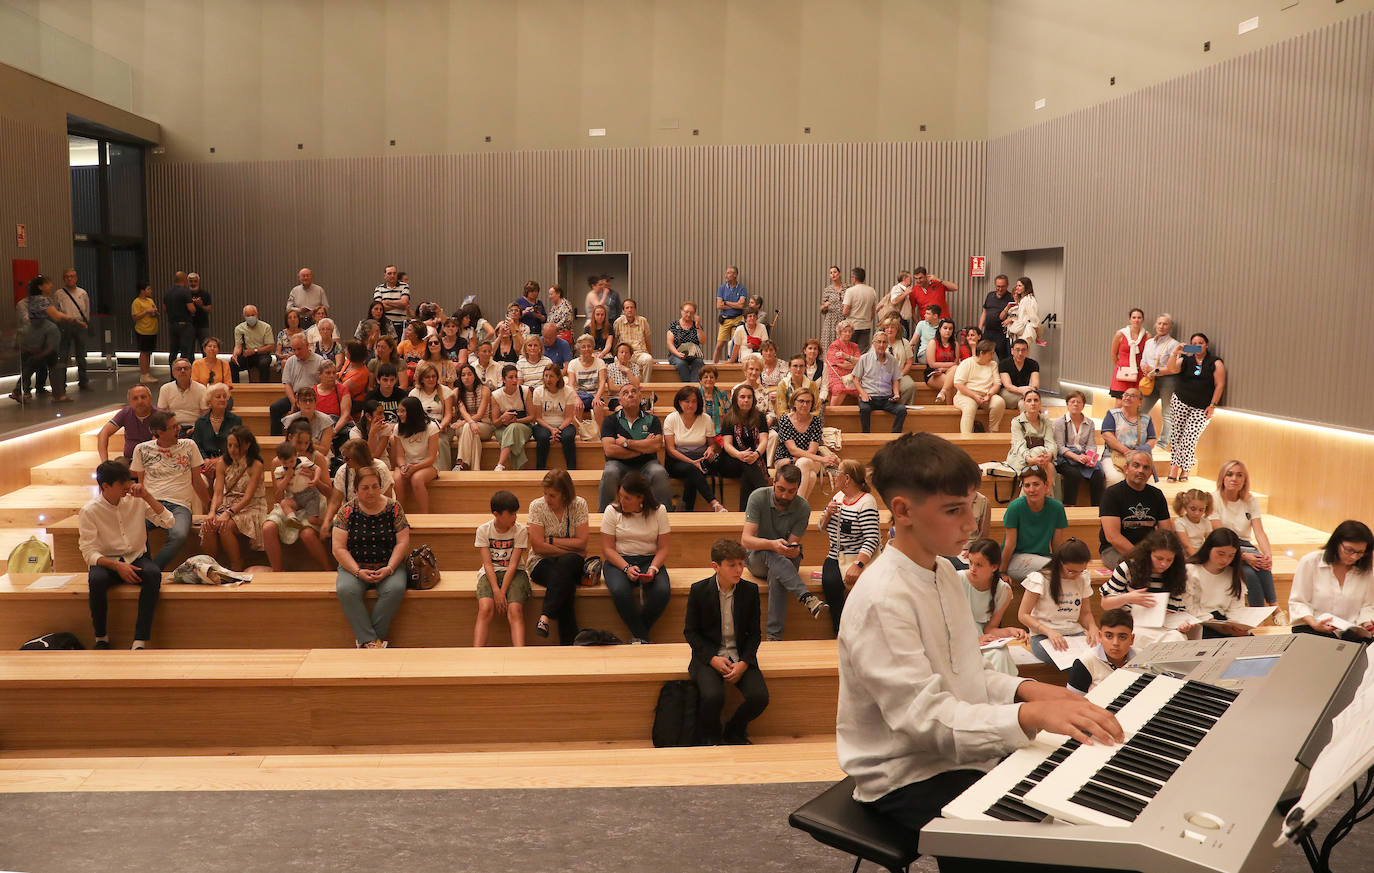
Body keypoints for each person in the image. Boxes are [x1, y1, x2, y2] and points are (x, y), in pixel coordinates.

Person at [837, 432, 1124, 863]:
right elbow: (926, 720)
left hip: (954, 752)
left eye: (971, 504)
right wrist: (1030, 714)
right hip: (904, 774)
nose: (972, 523)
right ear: (903, 511)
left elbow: (965, 674)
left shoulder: (944, 574)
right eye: (954, 510)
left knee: (1083, 800)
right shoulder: (883, 598)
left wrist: (1028, 691)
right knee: (1036, 847)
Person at [78, 460, 174, 649]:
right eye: (123, 484)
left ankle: (140, 640)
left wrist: (147, 496)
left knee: (154, 574)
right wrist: (116, 566)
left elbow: (169, 522)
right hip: (108, 562)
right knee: (96, 580)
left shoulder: (137, 501)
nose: (128, 487)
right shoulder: (89, 511)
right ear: (106, 486)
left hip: (136, 558)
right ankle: (101, 638)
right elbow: (88, 552)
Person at [684, 538, 769, 744]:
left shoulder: (750, 591)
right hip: (709, 656)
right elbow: (691, 632)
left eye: (741, 563)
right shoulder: (699, 591)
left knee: (759, 697)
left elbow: (754, 634)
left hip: (739, 656)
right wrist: (712, 659)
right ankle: (711, 737)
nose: (739, 570)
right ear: (716, 566)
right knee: (713, 697)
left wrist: (744, 663)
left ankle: (734, 730)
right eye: (732, 565)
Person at [742, 464, 826, 640]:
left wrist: (792, 551)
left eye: (791, 491)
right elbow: (746, 540)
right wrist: (772, 544)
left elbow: (791, 544)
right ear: (773, 482)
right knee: (769, 551)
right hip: (757, 558)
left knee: (777, 574)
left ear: (798, 488)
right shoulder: (758, 497)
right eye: (780, 489)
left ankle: (774, 638)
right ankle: (807, 598)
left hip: (783, 561)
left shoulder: (803, 507)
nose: (784, 496)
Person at [332, 465, 410, 648]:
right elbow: (338, 548)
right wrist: (358, 572)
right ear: (356, 490)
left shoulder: (394, 508)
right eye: (365, 488)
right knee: (346, 590)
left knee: (395, 589)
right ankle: (372, 642)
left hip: (389, 564)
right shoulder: (347, 511)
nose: (371, 492)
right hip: (354, 566)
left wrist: (390, 568)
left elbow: (403, 542)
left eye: (375, 486)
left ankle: (369, 642)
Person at [129, 410, 209, 570]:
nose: (179, 428)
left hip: (179, 505)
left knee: (178, 535)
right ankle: (145, 567)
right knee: (135, 529)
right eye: (173, 427)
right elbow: (141, 481)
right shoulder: (141, 449)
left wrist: (211, 507)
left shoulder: (189, 445)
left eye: (177, 425)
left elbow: (197, 480)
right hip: (151, 503)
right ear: (160, 432)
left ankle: (152, 570)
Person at [601, 472, 672, 643]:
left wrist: (654, 568)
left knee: (662, 592)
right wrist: (626, 567)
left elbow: (663, 548)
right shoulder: (611, 511)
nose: (622, 501)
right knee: (620, 591)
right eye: (621, 496)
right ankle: (642, 637)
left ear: (641, 498)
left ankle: (639, 635)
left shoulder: (659, 511)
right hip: (618, 560)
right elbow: (608, 549)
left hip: (650, 560)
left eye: (627, 498)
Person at [817, 459, 880, 634]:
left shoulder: (866, 502)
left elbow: (872, 538)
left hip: (857, 557)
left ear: (847, 479)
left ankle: (863, 632)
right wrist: (828, 513)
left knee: (858, 587)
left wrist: (858, 564)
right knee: (830, 582)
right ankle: (840, 631)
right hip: (835, 555)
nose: (834, 475)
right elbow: (821, 528)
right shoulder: (838, 497)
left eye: (838, 472)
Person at [527, 469, 588, 643]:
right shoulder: (537, 506)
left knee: (566, 565)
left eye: (552, 495)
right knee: (565, 582)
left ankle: (545, 616)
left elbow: (582, 542)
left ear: (565, 494)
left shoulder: (579, 504)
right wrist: (571, 548)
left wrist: (551, 540)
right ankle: (571, 641)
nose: (547, 499)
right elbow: (538, 547)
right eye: (545, 494)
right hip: (541, 562)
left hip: (570, 562)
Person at [1100, 529, 1190, 646]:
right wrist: (1128, 598)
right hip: (1130, 625)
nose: (1164, 564)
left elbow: (1175, 612)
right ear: (1148, 553)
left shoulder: (1176, 573)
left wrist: (1182, 625)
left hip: (1163, 628)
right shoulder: (1128, 568)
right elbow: (1105, 604)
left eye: (1169, 560)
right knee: (1136, 639)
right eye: (1159, 558)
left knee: (1178, 638)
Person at [1017, 537, 1097, 668]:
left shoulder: (1082, 578)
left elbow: (1086, 613)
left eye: (1080, 571)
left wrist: (1093, 627)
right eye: (1071, 571)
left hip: (1075, 634)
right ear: (1059, 563)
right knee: (1076, 664)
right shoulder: (1040, 579)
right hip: (1043, 636)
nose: (1076, 575)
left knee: (1098, 657)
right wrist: (1049, 632)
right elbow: (1023, 615)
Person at [1289, 521, 1374, 641]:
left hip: (1349, 632)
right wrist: (1314, 623)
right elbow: (1298, 602)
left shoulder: (1366, 571)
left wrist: (1367, 624)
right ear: (1336, 543)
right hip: (1312, 628)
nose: (1354, 557)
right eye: (1349, 550)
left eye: (1360, 552)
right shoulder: (1310, 562)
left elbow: (1368, 605)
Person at [200, 426, 269, 571]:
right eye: (229, 445)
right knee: (208, 525)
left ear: (247, 445)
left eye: (236, 446)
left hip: (252, 505)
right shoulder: (222, 464)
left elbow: (249, 497)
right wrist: (212, 512)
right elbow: (218, 493)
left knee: (225, 526)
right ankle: (211, 565)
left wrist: (228, 513)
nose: (232, 449)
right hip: (228, 503)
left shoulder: (256, 465)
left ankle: (236, 564)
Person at [262, 429, 332, 572]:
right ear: (290, 438)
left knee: (307, 534)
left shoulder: (315, 458)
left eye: (306, 443)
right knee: (268, 528)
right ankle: (277, 572)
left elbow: (330, 493)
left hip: (312, 500)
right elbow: (278, 496)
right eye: (299, 442)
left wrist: (315, 480)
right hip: (292, 502)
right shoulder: (278, 462)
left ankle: (328, 569)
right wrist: (287, 477)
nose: (303, 447)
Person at [1210, 459, 1276, 608]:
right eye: (1230, 474)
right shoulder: (1213, 499)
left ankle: (1274, 607)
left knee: (1262, 563)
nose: (1234, 479)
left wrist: (1268, 555)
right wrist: (1245, 556)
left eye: (1239, 475)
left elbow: (1259, 531)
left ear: (1245, 480)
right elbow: (1219, 534)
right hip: (1225, 546)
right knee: (1250, 574)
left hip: (1246, 545)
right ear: (1222, 477)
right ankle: (1260, 614)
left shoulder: (1250, 500)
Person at [598, 383, 672, 510]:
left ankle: (666, 515)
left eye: (633, 391)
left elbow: (656, 445)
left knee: (659, 472)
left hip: (647, 464)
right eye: (625, 393)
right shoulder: (610, 420)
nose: (630, 394)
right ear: (620, 401)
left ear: (640, 397)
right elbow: (610, 450)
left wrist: (627, 443)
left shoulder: (652, 420)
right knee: (609, 472)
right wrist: (644, 448)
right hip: (618, 464)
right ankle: (603, 515)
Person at [1164, 332, 1225, 482]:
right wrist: (1175, 352)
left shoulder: (1215, 362)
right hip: (1180, 401)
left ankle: (1174, 468)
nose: (1198, 345)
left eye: (1201, 343)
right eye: (1194, 343)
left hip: (1202, 407)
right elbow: (1171, 369)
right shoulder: (1185, 360)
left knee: (1189, 437)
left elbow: (1220, 384)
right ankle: (1185, 471)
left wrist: (1212, 405)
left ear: (1206, 345)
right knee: (1177, 435)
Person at [1098, 449, 1174, 568]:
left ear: (1150, 473)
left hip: (1149, 549)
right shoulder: (1111, 494)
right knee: (1135, 568)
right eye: (1136, 465)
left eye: (1146, 467)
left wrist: (1159, 556)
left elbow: (1166, 532)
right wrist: (1142, 557)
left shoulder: (1157, 495)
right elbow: (1113, 537)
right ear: (1126, 469)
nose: (1141, 471)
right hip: (1114, 550)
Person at [957, 538, 1022, 677]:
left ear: (994, 567)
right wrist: (972, 641)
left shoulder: (1003, 590)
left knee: (1001, 654)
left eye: (979, 565)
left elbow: (989, 629)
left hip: (983, 639)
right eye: (971, 563)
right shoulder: (957, 579)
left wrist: (1012, 631)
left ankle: (1003, 696)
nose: (972, 568)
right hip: (957, 639)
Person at [473, 490, 530, 647]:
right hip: (491, 573)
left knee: (515, 609)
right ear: (496, 514)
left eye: (516, 513)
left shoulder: (520, 530)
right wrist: (495, 591)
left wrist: (502, 591)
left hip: (515, 573)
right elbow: (488, 564)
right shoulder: (483, 530)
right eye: (510, 514)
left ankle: (519, 652)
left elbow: (513, 564)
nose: (515, 517)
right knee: (485, 608)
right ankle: (476, 653)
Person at [12, 275, 78, 402]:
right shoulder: (43, 300)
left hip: (36, 335)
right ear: (40, 287)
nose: (51, 286)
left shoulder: (32, 300)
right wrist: (72, 319)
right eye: (48, 284)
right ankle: (58, 395)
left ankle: (19, 390)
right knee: (50, 362)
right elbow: (56, 316)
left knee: (35, 363)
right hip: (44, 335)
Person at [662, 385, 726, 513]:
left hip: (701, 459)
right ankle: (714, 503)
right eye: (687, 401)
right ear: (679, 402)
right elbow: (670, 450)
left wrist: (711, 449)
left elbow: (712, 444)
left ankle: (685, 508)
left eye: (694, 401)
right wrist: (692, 462)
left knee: (694, 472)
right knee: (692, 469)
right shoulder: (671, 419)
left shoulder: (705, 419)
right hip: (677, 461)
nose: (690, 405)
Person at [999, 467, 1069, 583]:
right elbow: (1009, 545)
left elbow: (1057, 545)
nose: (1031, 489)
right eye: (1027, 485)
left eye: (1036, 484)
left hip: (1042, 558)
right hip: (1015, 559)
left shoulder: (1057, 508)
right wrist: (1002, 572)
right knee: (1058, 570)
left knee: (1074, 569)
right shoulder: (1015, 507)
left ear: (1046, 485)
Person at [1181, 528, 1248, 638]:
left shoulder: (1234, 574)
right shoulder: (1191, 571)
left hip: (1225, 624)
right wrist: (1211, 620)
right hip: (1200, 624)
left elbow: (1237, 608)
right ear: (1209, 548)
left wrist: (1236, 625)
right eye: (1220, 553)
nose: (1225, 560)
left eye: (1231, 555)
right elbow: (1188, 608)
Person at [772, 386, 835, 500]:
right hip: (786, 460)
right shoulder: (785, 420)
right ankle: (801, 508)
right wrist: (821, 459)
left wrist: (805, 459)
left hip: (810, 460)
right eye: (801, 401)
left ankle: (795, 505)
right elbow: (792, 450)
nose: (805, 405)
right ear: (794, 403)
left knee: (803, 462)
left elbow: (812, 450)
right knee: (811, 476)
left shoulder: (816, 421)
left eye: (808, 402)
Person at [717, 384, 770, 512]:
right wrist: (740, 455)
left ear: (753, 399)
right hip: (731, 460)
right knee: (748, 465)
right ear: (736, 399)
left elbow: (764, 440)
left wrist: (756, 454)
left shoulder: (760, 417)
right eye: (742, 397)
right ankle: (768, 500)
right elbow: (727, 445)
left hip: (754, 458)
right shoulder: (729, 418)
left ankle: (744, 514)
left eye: (749, 397)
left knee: (748, 469)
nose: (746, 400)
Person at [322, 439, 395, 532]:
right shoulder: (343, 471)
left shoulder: (380, 469)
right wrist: (326, 522)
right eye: (343, 457)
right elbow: (335, 502)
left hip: (379, 515)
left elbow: (387, 501)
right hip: (352, 516)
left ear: (359, 458)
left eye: (347, 458)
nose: (344, 461)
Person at [1053, 390, 1106, 506]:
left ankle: (1097, 508)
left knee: (1098, 472)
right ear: (1067, 404)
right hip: (1065, 457)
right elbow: (1060, 447)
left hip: (1083, 456)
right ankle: (1069, 505)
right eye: (1072, 401)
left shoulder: (1090, 423)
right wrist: (1077, 457)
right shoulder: (1060, 422)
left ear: (1083, 405)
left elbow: (1091, 444)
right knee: (1073, 474)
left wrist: (1089, 457)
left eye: (1079, 402)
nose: (1075, 404)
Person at [1066, 609, 1136, 695]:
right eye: (1109, 636)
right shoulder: (1085, 662)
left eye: (1122, 637)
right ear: (1100, 636)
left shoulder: (1142, 659)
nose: (1115, 643)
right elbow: (1072, 702)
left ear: (1132, 639)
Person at [1138, 313, 1180, 449]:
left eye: (1165, 324)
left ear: (1170, 327)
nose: (1161, 326)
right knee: (1141, 411)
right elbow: (1143, 360)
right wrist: (1146, 371)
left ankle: (1162, 444)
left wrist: (1154, 370)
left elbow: (1173, 368)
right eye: (1159, 323)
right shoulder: (1149, 342)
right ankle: (1141, 441)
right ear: (1155, 324)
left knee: (1167, 413)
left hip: (1167, 382)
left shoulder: (1174, 344)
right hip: (1150, 380)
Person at [391, 396, 440, 513]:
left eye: (402, 411)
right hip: (407, 464)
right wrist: (403, 467)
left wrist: (414, 468)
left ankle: (424, 516)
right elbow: (400, 456)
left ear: (412, 412)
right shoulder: (398, 428)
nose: (399, 414)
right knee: (397, 479)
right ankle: (399, 516)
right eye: (399, 411)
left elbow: (431, 457)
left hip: (427, 465)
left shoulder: (431, 427)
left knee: (417, 479)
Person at [852, 332, 907, 434]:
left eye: (884, 342)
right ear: (873, 343)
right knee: (864, 409)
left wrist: (896, 394)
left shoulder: (892, 360)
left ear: (887, 345)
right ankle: (866, 435)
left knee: (901, 410)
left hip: (886, 398)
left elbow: (896, 379)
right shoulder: (864, 358)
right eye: (879, 342)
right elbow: (856, 379)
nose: (881, 345)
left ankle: (894, 437)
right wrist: (863, 393)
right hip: (869, 397)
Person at [1101, 386, 1156, 485]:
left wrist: (1137, 452)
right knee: (1115, 480)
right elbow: (1107, 435)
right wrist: (1126, 451)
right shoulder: (1112, 414)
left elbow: (1152, 440)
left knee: (1148, 483)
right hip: (1114, 455)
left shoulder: (1146, 419)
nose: (1127, 397)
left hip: (1138, 457)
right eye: (1125, 395)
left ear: (1140, 402)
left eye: (1132, 396)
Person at [272, 333, 324, 436]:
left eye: (299, 349)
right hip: (295, 396)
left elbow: (322, 384)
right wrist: (294, 402)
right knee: (275, 408)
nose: (296, 352)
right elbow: (287, 383)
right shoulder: (290, 361)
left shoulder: (319, 361)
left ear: (307, 345)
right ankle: (275, 439)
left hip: (313, 397)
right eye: (293, 349)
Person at [530, 365, 580, 470]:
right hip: (543, 425)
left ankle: (572, 470)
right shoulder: (538, 391)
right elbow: (538, 417)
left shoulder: (568, 391)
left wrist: (559, 429)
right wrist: (551, 429)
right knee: (543, 437)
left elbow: (569, 417)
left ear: (558, 378)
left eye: (551, 376)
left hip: (564, 424)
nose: (548, 379)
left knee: (568, 437)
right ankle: (540, 470)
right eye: (546, 376)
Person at [951, 339, 1006, 433]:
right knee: (969, 407)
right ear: (981, 353)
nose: (993, 356)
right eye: (991, 353)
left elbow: (997, 383)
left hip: (986, 395)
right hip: (966, 395)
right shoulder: (967, 363)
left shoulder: (993, 364)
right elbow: (958, 384)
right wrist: (974, 396)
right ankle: (966, 436)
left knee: (999, 402)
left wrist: (989, 394)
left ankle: (993, 431)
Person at [1005, 389, 1056, 485]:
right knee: (1044, 468)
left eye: (1036, 400)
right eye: (1029, 401)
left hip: (1042, 458)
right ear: (1024, 404)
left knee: (1045, 467)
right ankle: (1046, 495)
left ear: (1040, 403)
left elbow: (1050, 442)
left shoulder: (1046, 421)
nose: (1033, 403)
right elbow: (1020, 445)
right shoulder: (1017, 422)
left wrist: (1049, 455)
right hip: (1021, 458)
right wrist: (1031, 460)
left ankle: (1030, 498)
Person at [490, 364, 535, 472]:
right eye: (511, 377)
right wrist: (503, 418)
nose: (515, 380)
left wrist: (517, 421)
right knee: (512, 434)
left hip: (524, 427)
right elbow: (495, 423)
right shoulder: (496, 395)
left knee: (514, 427)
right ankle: (518, 470)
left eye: (516, 376)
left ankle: (500, 464)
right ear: (503, 380)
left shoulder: (525, 391)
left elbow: (532, 417)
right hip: (502, 429)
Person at [97, 384, 160, 462]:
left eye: (143, 397)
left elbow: (157, 444)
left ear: (150, 398)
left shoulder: (160, 415)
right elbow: (104, 433)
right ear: (129, 402)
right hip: (129, 459)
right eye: (135, 398)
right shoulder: (125, 413)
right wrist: (104, 462)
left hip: (154, 459)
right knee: (115, 468)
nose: (140, 401)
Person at [409, 362, 453, 469]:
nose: (431, 379)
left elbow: (448, 414)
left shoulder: (445, 391)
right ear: (421, 379)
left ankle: (444, 471)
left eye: (434, 376)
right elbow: (411, 416)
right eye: (427, 377)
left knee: (440, 441)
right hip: (420, 428)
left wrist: (441, 426)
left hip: (441, 428)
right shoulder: (414, 393)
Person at [53, 267, 91, 391]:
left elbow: (86, 310)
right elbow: (56, 310)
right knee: (63, 355)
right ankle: (61, 384)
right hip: (64, 325)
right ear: (64, 279)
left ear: (76, 278)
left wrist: (85, 323)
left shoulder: (82, 293)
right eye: (67, 276)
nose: (69, 278)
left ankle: (84, 381)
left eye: (72, 276)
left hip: (80, 324)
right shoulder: (59, 293)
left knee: (81, 355)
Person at [191, 383, 241, 474]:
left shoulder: (235, 420)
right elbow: (197, 445)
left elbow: (238, 445)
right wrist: (205, 460)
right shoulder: (200, 422)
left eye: (224, 396)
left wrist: (220, 460)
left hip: (229, 462)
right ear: (209, 402)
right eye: (218, 397)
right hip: (206, 464)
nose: (222, 399)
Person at [451, 363, 493, 471]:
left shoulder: (484, 390)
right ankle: (475, 470)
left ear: (474, 375)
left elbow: (480, 414)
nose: (466, 377)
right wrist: (470, 423)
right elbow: (463, 411)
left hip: (484, 425)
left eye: (469, 374)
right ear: (460, 378)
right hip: (466, 427)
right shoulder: (457, 392)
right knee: (472, 433)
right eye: (463, 375)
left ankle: (460, 463)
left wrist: (465, 423)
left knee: (468, 428)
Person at [281, 386, 335, 461]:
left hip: (320, 456)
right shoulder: (290, 420)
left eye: (311, 400)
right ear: (298, 403)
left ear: (315, 402)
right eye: (304, 400)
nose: (308, 403)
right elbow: (288, 445)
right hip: (296, 454)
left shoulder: (326, 420)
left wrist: (304, 443)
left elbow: (324, 451)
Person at [157, 358, 209, 431]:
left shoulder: (201, 388)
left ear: (191, 371)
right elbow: (162, 414)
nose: (183, 371)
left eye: (186, 368)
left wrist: (197, 428)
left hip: (195, 427)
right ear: (173, 373)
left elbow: (205, 414)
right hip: (173, 428)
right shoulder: (165, 388)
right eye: (179, 369)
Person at [568, 335, 608, 427]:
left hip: (595, 395)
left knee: (598, 405)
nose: (586, 349)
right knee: (576, 405)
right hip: (579, 395)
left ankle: (600, 434)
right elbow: (571, 384)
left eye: (589, 346)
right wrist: (576, 398)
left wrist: (597, 397)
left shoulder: (600, 362)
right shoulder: (573, 363)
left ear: (593, 347)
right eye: (583, 347)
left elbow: (602, 382)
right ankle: (579, 433)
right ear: (579, 349)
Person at [1108, 308, 1148, 400]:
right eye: (1134, 317)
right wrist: (1121, 366)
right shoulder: (1120, 334)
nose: (1136, 320)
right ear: (1129, 319)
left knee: (1135, 402)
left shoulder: (1147, 336)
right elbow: (1114, 354)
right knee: (1119, 402)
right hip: (1123, 372)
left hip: (1138, 373)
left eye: (1139, 317)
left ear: (1143, 320)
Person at [713, 266, 748, 363]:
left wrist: (726, 302)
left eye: (729, 273)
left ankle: (732, 365)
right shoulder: (722, 288)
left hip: (737, 319)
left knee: (734, 344)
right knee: (719, 345)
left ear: (735, 275)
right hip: (725, 319)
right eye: (726, 273)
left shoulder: (742, 289)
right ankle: (713, 366)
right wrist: (734, 305)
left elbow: (741, 305)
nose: (726, 275)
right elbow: (719, 305)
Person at [882, 317, 921, 406]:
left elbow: (909, 362)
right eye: (887, 327)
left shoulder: (904, 342)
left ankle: (902, 407)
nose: (889, 330)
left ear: (897, 329)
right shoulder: (879, 342)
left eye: (893, 327)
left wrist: (900, 374)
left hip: (900, 374)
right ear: (883, 329)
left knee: (910, 386)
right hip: (882, 375)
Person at [231, 305, 275, 383]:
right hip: (247, 355)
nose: (250, 317)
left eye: (253, 315)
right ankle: (236, 389)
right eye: (248, 315)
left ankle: (264, 389)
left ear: (257, 315)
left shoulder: (266, 327)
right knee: (233, 364)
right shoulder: (239, 328)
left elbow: (270, 346)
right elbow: (238, 346)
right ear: (244, 316)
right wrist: (235, 355)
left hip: (262, 354)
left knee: (264, 364)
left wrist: (255, 351)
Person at [997, 338, 1040, 414]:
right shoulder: (1004, 364)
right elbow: (1008, 386)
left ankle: (1026, 425)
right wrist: (1024, 391)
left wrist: (1028, 392)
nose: (1020, 353)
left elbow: (1035, 384)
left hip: (1026, 394)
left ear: (1027, 352)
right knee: (1031, 400)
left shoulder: (1033, 364)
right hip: (1009, 393)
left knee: (1023, 404)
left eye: (1023, 350)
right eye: (1017, 350)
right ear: (1012, 351)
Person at [612, 298, 655, 374]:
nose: (629, 310)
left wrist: (650, 354)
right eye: (627, 308)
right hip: (625, 353)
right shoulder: (618, 322)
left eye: (632, 307)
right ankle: (623, 384)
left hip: (640, 353)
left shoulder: (643, 321)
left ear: (635, 310)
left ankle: (645, 384)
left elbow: (647, 339)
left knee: (648, 359)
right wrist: (615, 354)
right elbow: (615, 339)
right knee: (616, 360)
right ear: (623, 310)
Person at [1002, 276, 1041, 361]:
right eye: (1017, 285)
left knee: (1021, 354)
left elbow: (1033, 318)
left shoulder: (1029, 299)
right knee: (1018, 355)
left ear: (1026, 286)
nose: (1017, 288)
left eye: (1020, 286)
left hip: (1026, 331)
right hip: (1022, 331)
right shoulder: (1024, 300)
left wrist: (1035, 330)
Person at [666, 301, 705, 382]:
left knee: (699, 362)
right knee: (681, 364)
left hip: (693, 356)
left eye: (691, 313)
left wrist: (698, 327)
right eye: (686, 312)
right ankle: (687, 386)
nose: (688, 315)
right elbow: (669, 343)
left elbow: (703, 341)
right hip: (677, 354)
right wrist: (677, 354)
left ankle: (693, 386)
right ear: (681, 311)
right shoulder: (674, 325)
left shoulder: (696, 325)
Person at [164, 271, 197, 365]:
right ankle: (185, 373)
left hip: (172, 325)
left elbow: (165, 308)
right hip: (184, 325)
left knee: (173, 351)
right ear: (184, 280)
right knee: (186, 352)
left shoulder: (168, 292)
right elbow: (191, 309)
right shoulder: (185, 291)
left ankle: (173, 374)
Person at [825, 320, 861, 408]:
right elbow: (841, 364)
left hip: (852, 376)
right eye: (845, 331)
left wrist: (846, 356)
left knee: (864, 388)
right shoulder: (834, 346)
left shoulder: (854, 346)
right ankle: (833, 415)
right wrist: (853, 362)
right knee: (839, 388)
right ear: (840, 332)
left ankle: (861, 416)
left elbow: (860, 362)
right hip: (836, 376)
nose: (847, 334)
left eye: (849, 331)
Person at [774, 354, 820, 421]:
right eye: (795, 366)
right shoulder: (783, 385)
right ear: (789, 367)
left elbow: (816, 409)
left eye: (801, 366)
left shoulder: (812, 385)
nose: (798, 369)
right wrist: (796, 419)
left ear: (805, 368)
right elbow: (781, 411)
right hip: (789, 422)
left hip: (808, 422)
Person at [841, 267, 878, 350]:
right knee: (862, 353)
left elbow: (845, 311)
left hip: (852, 326)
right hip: (866, 325)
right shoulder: (871, 291)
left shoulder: (850, 291)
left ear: (854, 278)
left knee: (849, 351)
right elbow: (873, 311)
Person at [131, 281, 160, 384]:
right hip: (143, 330)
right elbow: (135, 317)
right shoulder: (137, 302)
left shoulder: (150, 300)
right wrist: (146, 312)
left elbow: (156, 313)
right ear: (142, 291)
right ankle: (144, 374)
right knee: (144, 352)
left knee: (148, 352)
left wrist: (155, 313)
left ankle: (147, 373)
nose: (150, 291)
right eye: (148, 289)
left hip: (152, 330)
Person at [924, 318, 959, 403]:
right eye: (945, 328)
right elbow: (932, 364)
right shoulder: (933, 342)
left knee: (955, 369)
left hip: (948, 371)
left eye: (950, 329)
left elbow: (956, 363)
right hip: (933, 373)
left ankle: (942, 392)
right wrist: (950, 364)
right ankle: (949, 410)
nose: (948, 331)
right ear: (940, 329)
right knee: (952, 383)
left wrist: (944, 368)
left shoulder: (955, 344)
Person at [979, 274, 1014, 358]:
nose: (1000, 289)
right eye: (998, 286)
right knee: (983, 354)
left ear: (1007, 285)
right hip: (988, 331)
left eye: (1003, 286)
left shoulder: (1011, 298)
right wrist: (979, 328)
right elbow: (984, 312)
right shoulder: (990, 295)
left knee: (1002, 357)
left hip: (1001, 333)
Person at [1172, 488, 1214, 557]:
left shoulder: (1206, 521)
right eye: (1193, 509)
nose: (1197, 513)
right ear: (1185, 507)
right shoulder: (1180, 522)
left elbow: (1210, 542)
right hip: (1184, 556)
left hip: (1200, 553)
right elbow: (1187, 546)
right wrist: (1198, 560)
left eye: (1201, 510)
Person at [372, 264, 411, 337]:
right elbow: (379, 307)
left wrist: (386, 302)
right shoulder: (379, 288)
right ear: (385, 275)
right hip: (385, 325)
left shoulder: (404, 286)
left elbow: (404, 303)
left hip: (401, 325)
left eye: (394, 273)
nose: (392, 275)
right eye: (389, 273)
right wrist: (399, 305)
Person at [880, 270, 915, 334]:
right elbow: (894, 301)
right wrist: (905, 294)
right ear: (904, 278)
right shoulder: (897, 288)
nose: (911, 280)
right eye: (910, 278)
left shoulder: (905, 289)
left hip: (903, 320)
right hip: (899, 320)